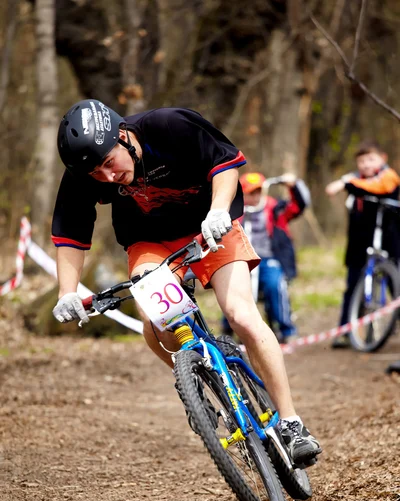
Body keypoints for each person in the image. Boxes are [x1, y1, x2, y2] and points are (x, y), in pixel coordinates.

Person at [51, 99, 321, 466]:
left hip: (208, 228)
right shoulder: (85, 172)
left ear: (123, 136)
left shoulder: (169, 126)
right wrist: (67, 291)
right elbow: (71, 234)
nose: (108, 177)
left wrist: (218, 211)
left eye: (109, 163)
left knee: (241, 314)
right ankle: (193, 378)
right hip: (150, 243)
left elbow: (225, 164)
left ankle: (291, 423)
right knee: (155, 323)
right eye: (97, 174)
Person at [326, 140, 400, 349]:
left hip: (389, 239)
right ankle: (345, 330)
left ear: (382, 159)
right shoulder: (354, 179)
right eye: (361, 161)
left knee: (397, 284)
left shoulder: (388, 177)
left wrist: (347, 183)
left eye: (371, 159)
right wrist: (345, 182)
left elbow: (381, 188)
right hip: (359, 241)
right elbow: (331, 189)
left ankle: (392, 321)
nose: (366, 164)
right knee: (352, 287)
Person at [221, 171, 310, 343]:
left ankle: (287, 329)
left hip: (269, 259)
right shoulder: (235, 212)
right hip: (242, 260)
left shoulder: (275, 208)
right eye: (250, 192)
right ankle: (228, 329)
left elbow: (299, 205)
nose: (255, 196)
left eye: (258, 191)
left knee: (275, 285)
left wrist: (294, 186)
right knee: (232, 290)